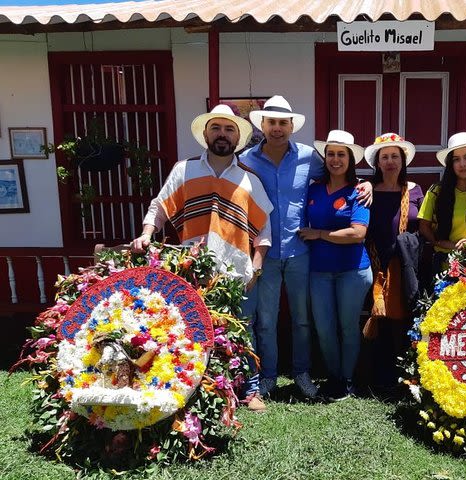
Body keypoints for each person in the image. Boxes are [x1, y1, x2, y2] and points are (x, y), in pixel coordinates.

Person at [131, 104, 274, 412]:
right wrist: (146, 233)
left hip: (238, 273)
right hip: (192, 270)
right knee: (193, 330)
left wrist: (257, 267)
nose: (222, 135)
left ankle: (251, 391)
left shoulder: (249, 179)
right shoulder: (185, 170)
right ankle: (200, 388)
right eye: (216, 128)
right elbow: (159, 206)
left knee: (243, 330)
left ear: (238, 137)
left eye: (229, 129)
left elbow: (264, 228)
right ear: (206, 133)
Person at [239, 96, 372, 399]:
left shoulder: (308, 156)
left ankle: (301, 373)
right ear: (263, 124)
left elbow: (341, 172)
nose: (277, 128)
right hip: (266, 252)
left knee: (302, 319)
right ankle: (268, 377)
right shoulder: (246, 159)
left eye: (282, 123)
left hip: (300, 252)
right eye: (271, 122)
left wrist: (366, 184)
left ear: (291, 126)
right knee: (266, 320)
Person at [298, 130, 373, 400]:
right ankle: (334, 376)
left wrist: (319, 234)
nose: (335, 159)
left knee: (347, 326)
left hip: (352, 270)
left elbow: (357, 233)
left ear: (350, 159)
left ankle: (348, 379)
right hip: (319, 270)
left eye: (341, 154)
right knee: (324, 328)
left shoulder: (358, 192)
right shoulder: (314, 189)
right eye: (331, 154)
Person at [362, 133, 424, 392]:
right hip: (373, 263)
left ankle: (403, 377)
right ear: (377, 162)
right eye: (384, 156)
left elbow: (423, 227)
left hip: (403, 264)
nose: (389, 161)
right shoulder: (366, 190)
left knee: (403, 319)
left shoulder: (415, 190)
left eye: (394, 156)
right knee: (378, 318)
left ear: (403, 160)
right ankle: (376, 376)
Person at [418, 132, 466, 277]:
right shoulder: (436, 192)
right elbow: (424, 226)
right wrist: (443, 244)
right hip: (442, 267)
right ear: (450, 164)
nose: (462, 164)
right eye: (456, 159)